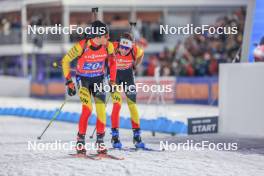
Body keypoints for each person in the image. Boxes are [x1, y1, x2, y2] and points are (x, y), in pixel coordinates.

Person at [61, 20, 116, 154]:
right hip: (84, 81)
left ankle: (100, 142)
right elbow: (65, 61)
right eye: (106, 36)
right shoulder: (82, 46)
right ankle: (80, 141)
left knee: (101, 110)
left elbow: (113, 63)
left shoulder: (108, 46)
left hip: (99, 80)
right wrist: (69, 82)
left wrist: (112, 81)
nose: (108, 38)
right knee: (87, 109)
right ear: (97, 36)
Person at [110, 32, 145, 149]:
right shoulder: (113, 47)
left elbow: (141, 55)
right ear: (119, 44)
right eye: (122, 47)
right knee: (117, 105)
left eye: (126, 48)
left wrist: (136, 65)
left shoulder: (135, 50)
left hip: (127, 76)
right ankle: (115, 136)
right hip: (114, 77)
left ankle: (137, 136)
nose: (124, 50)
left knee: (132, 105)